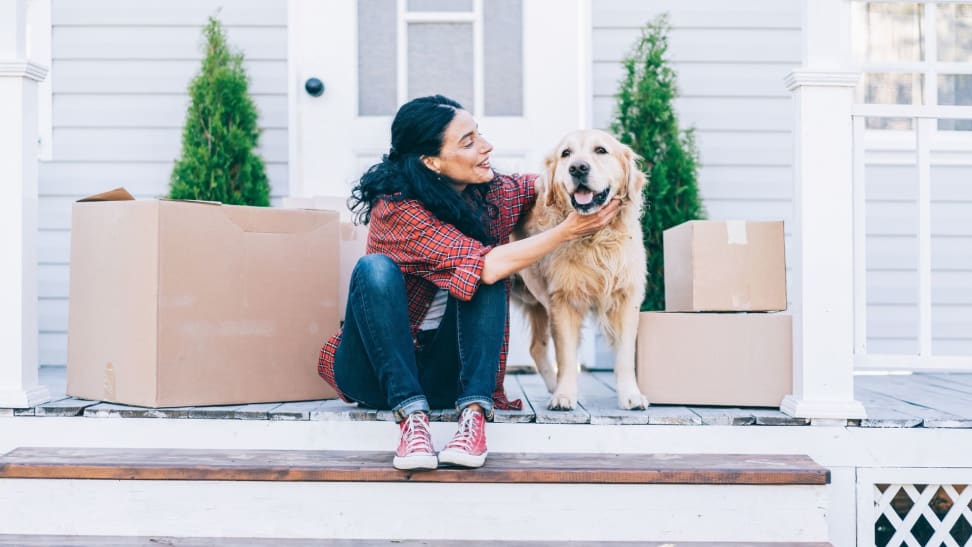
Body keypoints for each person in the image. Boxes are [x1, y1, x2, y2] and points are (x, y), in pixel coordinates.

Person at [318, 95, 620, 470]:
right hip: (374, 374)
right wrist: (567, 230)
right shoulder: (396, 209)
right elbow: (485, 265)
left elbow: (545, 184)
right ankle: (412, 421)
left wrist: (601, 178)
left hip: (447, 374)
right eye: (468, 141)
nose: (486, 146)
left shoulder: (490, 193)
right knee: (376, 269)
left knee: (488, 267)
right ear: (432, 162)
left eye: (480, 134)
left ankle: (473, 417)